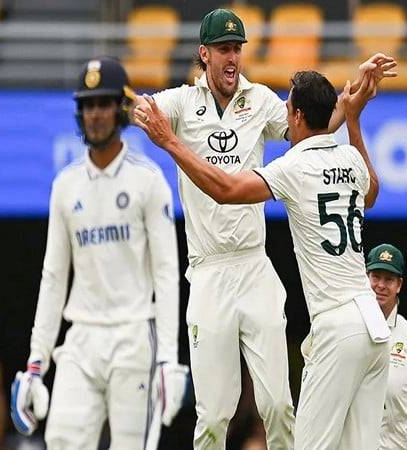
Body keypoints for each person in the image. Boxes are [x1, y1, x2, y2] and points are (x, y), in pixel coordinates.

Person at [133, 7, 392, 450]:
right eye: (223, 49)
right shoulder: (181, 102)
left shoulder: (261, 100)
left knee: (279, 407)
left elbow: (312, 131)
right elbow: (143, 107)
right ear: (204, 55)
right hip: (209, 270)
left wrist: (346, 105)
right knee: (214, 416)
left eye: (237, 48)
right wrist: (132, 103)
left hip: (255, 265)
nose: (232, 58)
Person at [9, 56, 187, 449]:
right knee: (61, 440)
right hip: (81, 341)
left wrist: (168, 360)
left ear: (121, 109)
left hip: (135, 335)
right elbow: (53, 278)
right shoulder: (65, 186)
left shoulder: (147, 180)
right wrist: (36, 363)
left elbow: (167, 274)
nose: (95, 114)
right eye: (88, 105)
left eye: (104, 103)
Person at [365, 243, 407, 449]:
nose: (381, 285)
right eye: (376, 276)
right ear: (365, 278)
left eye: (389, 279)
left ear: (399, 285)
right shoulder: (346, 331)